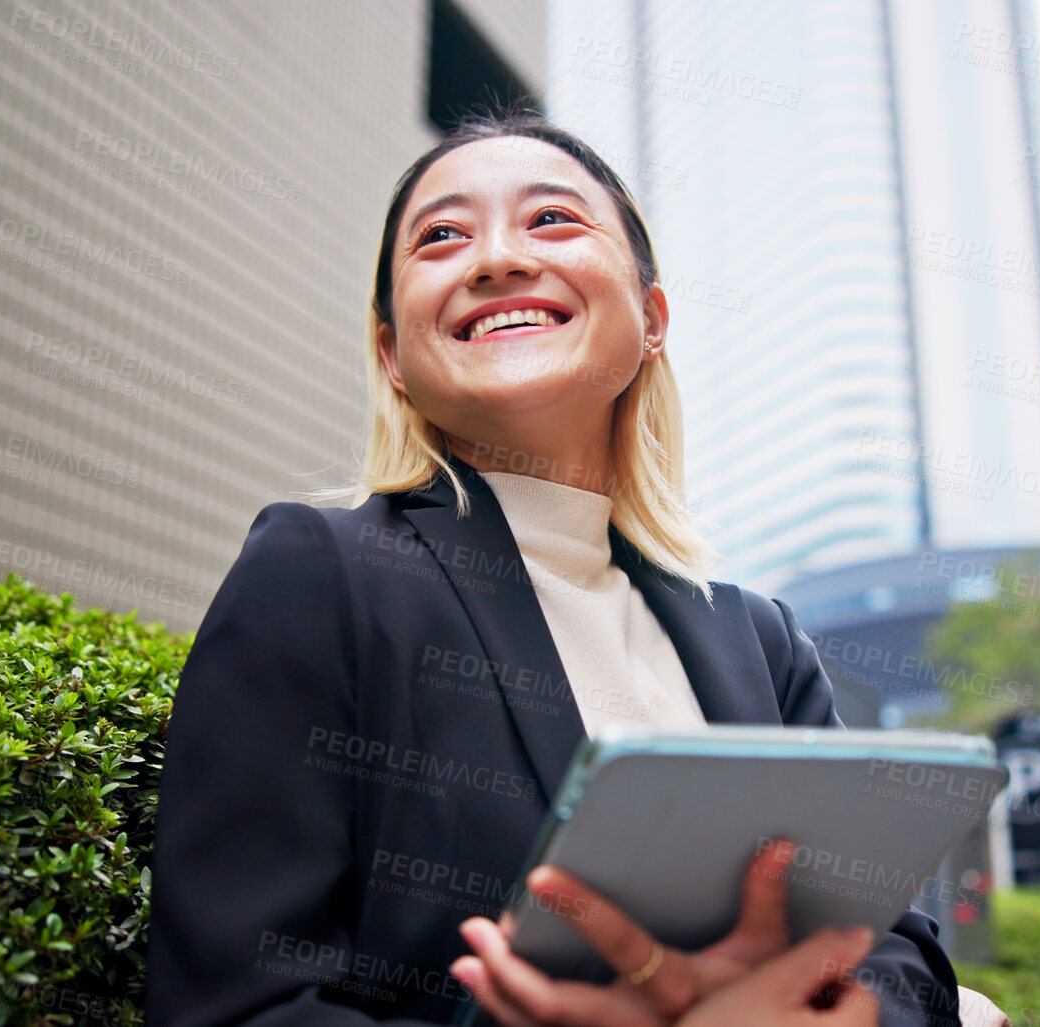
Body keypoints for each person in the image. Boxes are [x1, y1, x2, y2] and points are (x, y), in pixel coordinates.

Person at [146, 108, 993, 1027]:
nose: (496, 259)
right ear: (392, 354)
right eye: (440, 237)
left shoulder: (758, 638)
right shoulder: (321, 573)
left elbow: (894, 939)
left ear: (651, 317)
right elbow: (234, 1007)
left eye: (551, 219)